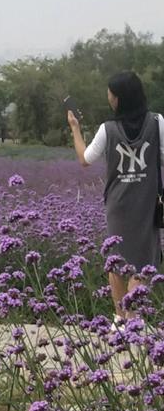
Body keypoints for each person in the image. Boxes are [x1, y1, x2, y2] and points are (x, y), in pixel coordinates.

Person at [68, 70, 163, 324]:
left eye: (111, 93)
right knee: (142, 261)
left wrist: (75, 130)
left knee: (116, 260)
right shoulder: (157, 122)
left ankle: (120, 320)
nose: (108, 96)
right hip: (146, 204)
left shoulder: (107, 129)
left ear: (120, 98)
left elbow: (85, 159)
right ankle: (135, 320)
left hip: (117, 205)